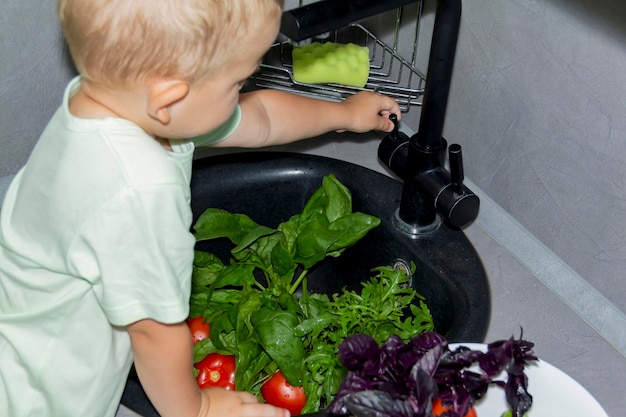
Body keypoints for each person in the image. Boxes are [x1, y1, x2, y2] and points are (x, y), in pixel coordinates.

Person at [0, 1, 401, 417]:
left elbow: (260, 116)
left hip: (26, 332)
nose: (242, 91)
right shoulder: (140, 190)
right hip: (46, 395)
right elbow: (154, 332)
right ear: (170, 97)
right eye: (239, 81)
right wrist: (199, 409)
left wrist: (345, 114)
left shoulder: (111, 100)